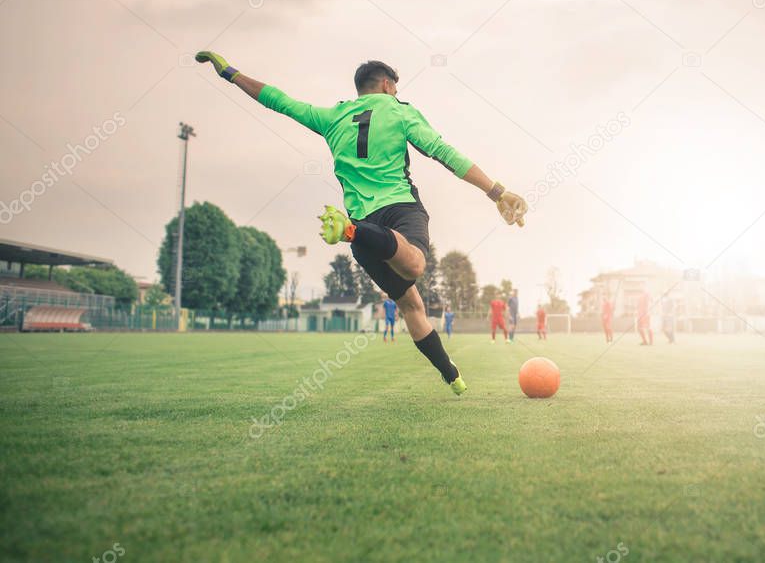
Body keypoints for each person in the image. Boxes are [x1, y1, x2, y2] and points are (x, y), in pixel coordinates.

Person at [195, 52, 527, 395]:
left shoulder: (331, 116)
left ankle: (451, 375)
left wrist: (232, 74)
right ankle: (352, 231)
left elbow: (279, 101)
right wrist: (496, 191)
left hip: (362, 227)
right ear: (387, 85)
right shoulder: (399, 110)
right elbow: (443, 152)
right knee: (414, 266)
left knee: (412, 305)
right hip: (399, 209)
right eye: (395, 88)